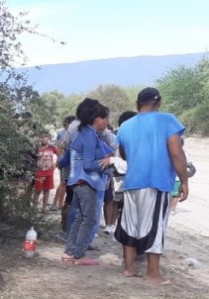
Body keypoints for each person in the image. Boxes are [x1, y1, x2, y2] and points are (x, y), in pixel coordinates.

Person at [115, 87, 189, 284]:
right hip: (156, 182)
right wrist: (184, 181)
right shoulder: (167, 120)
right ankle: (153, 273)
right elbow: (176, 153)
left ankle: (129, 268)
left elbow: (123, 153)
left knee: (130, 225)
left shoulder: (126, 125)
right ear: (158, 102)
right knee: (155, 226)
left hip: (132, 182)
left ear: (137, 104)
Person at [62, 100, 112, 265]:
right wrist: (107, 164)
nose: (107, 122)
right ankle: (79, 255)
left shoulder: (84, 133)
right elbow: (89, 164)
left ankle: (70, 251)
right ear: (97, 119)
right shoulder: (90, 136)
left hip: (77, 181)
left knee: (79, 218)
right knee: (89, 218)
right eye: (106, 119)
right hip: (85, 181)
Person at [52, 116, 75, 211]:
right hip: (65, 164)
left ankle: (61, 204)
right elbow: (59, 149)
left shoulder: (75, 133)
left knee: (66, 185)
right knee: (63, 183)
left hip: (72, 165)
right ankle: (55, 203)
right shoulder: (62, 134)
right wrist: (59, 161)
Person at [32, 134, 58, 210]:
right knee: (37, 190)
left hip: (49, 173)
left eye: (45, 138)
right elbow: (32, 159)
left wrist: (56, 164)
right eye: (42, 138)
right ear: (40, 139)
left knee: (47, 190)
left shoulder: (52, 147)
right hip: (39, 173)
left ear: (48, 139)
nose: (44, 140)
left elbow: (60, 154)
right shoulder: (37, 148)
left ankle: (44, 209)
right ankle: (33, 208)